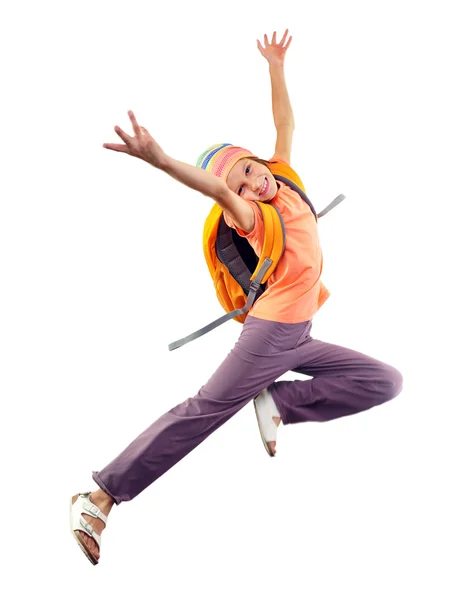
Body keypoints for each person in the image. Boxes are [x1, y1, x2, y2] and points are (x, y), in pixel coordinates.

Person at [70, 29, 403, 565]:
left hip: (299, 337)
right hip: (269, 337)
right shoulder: (254, 217)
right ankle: (100, 495)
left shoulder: (283, 179)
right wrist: (160, 160)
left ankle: (279, 402)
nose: (252, 185)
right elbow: (220, 190)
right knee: (203, 411)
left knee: (384, 381)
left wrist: (275, 65)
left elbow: (285, 125)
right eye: (241, 187)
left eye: (249, 170)